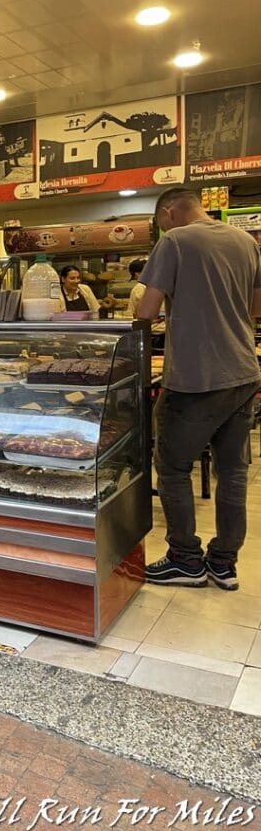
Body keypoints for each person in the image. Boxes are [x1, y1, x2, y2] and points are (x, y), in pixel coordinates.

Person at [136, 186, 261, 591]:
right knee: (233, 471)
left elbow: (145, 311)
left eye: (159, 223)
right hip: (243, 371)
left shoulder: (175, 241)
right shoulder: (246, 241)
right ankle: (223, 563)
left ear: (169, 212)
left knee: (172, 469)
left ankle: (185, 559)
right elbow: (256, 308)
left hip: (195, 377)